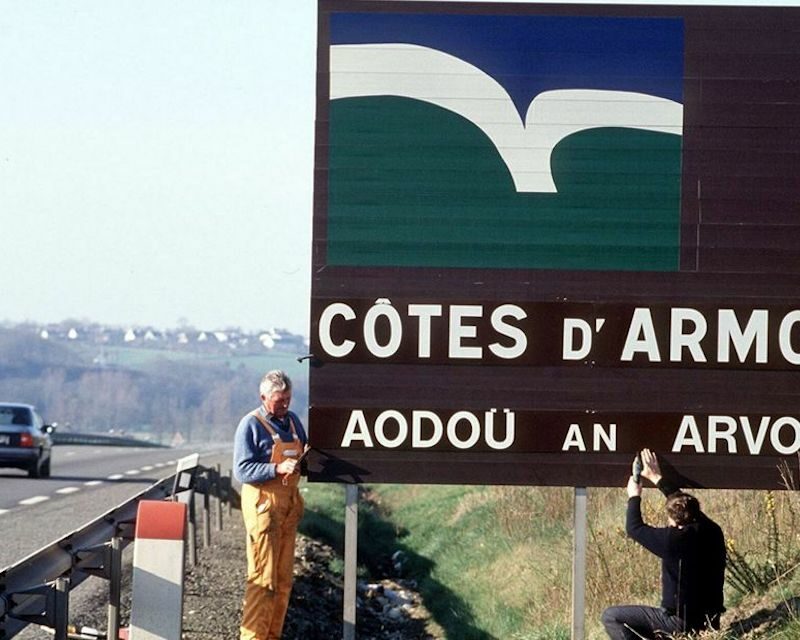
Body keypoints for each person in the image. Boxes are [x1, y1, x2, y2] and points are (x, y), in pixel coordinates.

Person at [601, 448, 726, 639]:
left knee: (611, 617)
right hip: (710, 621)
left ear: (674, 521)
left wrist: (634, 495)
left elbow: (634, 528)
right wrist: (657, 477)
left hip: (678, 623)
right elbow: (684, 504)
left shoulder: (672, 541)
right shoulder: (712, 530)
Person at [233, 370, 308, 640]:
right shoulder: (250, 425)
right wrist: (276, 468)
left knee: (284, 582)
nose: (284, 405)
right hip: (264, 509)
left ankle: (273, 636)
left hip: (288, 509)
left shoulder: (294, 422)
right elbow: (242, 470)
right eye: (279, 401)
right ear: (263, 397)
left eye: (288, 399)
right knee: (263, 581)